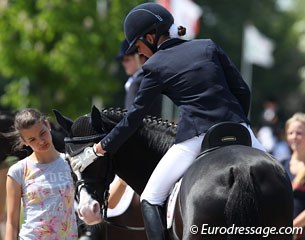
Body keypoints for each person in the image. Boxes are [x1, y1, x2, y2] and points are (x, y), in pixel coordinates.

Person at [70, 3, 265, 239]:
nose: (140, 53)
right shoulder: (208, 46)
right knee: (279, 176)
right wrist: (238, 126)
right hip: (240, 127)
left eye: (139, 46)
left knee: (150, 198)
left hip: (196, 135)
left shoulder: (153, 66)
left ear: (151, 37)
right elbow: (243, 91)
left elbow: (133, 118)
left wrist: (99, 149)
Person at [5, 108, 77, 240]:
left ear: (48, 125)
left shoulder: (71, 163)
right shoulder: (18, 171)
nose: (41, 141)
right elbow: (12, 224)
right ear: (24, 141)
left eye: (42, 133)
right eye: (32, 139)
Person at [117, 38, 163, 117]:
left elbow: (130, 119)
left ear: (141, 59)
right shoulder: (153, 79)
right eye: (123, 60)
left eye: (127, 60)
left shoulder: (136, 83)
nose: (124, 64)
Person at [282, 113, 305, 239]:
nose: (294, 137)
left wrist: (291, 228)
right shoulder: (279, 165)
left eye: (299, 133)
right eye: (290, 133)